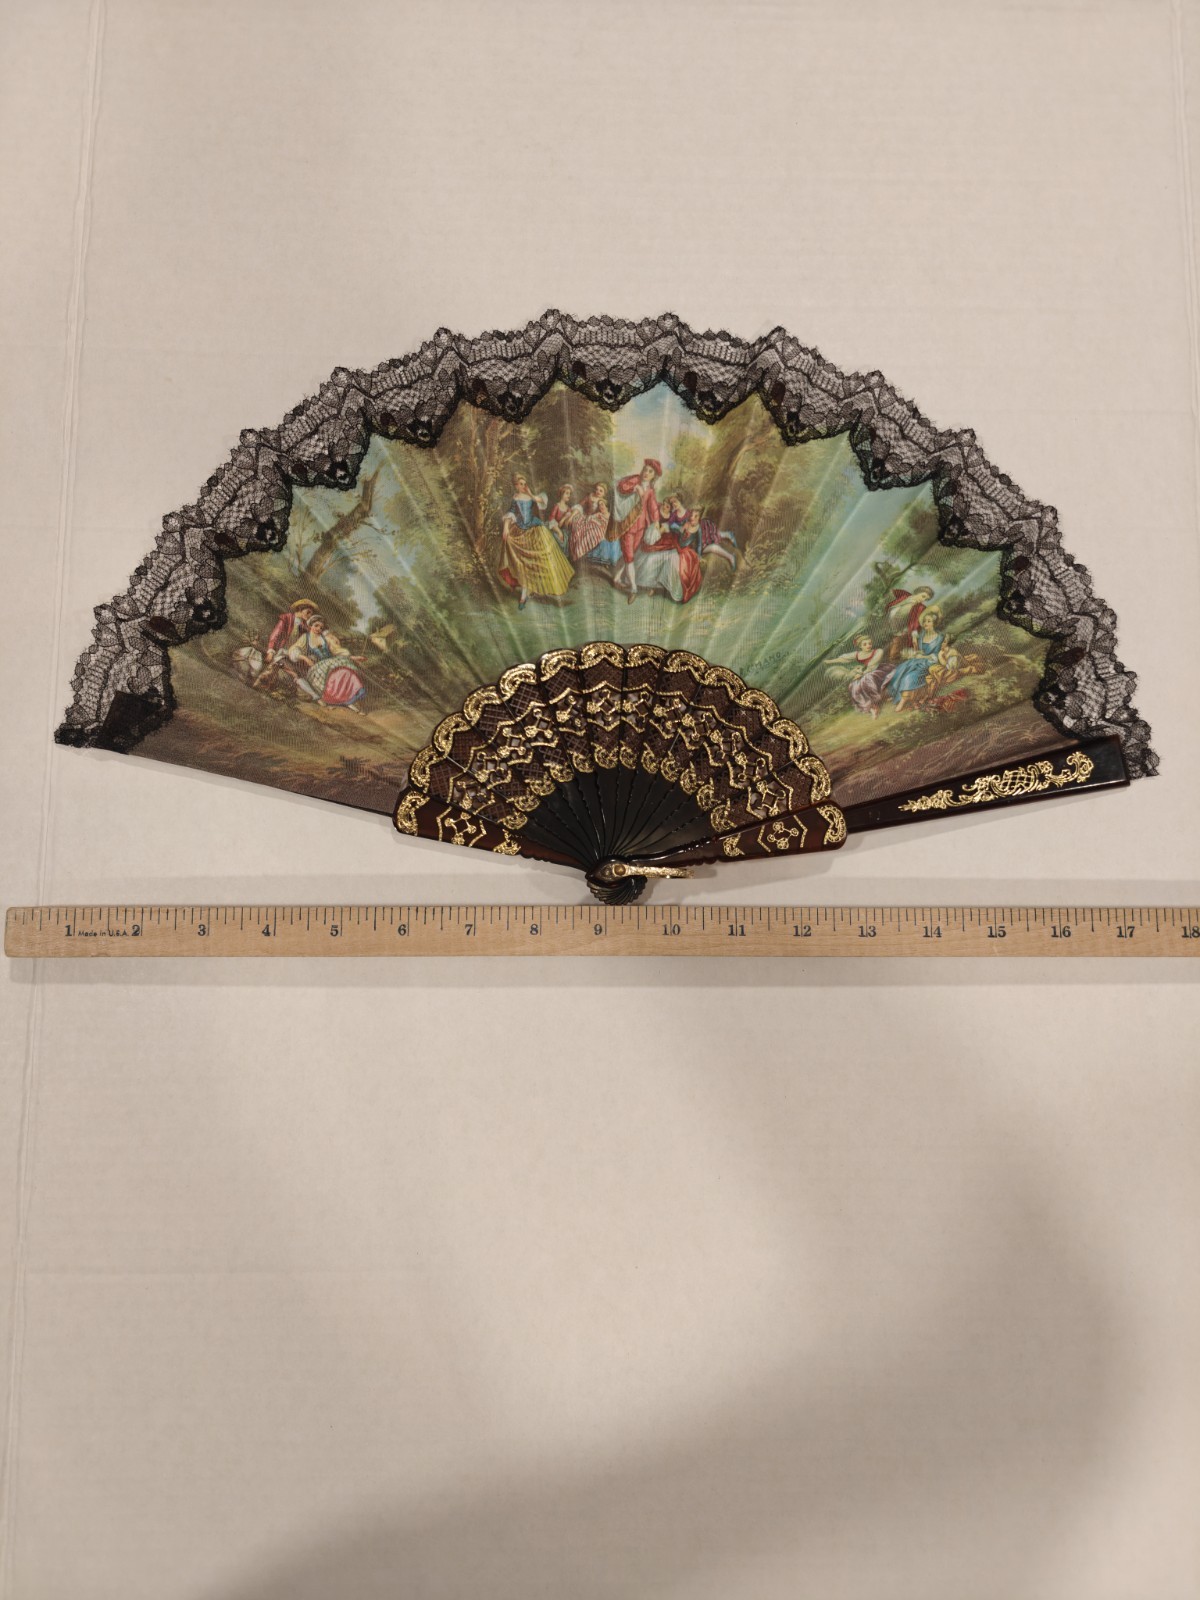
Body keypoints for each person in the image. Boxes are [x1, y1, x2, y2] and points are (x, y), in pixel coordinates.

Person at [498, 473, 574, 609]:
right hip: (520, 530)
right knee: (521, 560)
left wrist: (531, 494)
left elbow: (542, 502)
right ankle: (524, 594)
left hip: (534, 528)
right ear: (516, 485)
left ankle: (534, 589)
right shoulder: (515, 498)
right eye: (521, 484)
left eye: (524, 483)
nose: (523, 486)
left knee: (541, 558)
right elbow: (511, 513)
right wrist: (505, 528)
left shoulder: (530, 497)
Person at [289, 614, 367, 709]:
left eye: (321, 627)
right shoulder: (305, 637)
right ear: (310, 626)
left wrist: (353, 657)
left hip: (332, 662)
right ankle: (342, 699)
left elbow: (337, 651)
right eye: (316, 625)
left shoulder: (325, 638)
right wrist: (305, 658)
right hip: (318, 668)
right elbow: (294, 649)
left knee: (345, 672)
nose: (318, 629)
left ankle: (350, 698)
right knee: (333, 677)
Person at [613, 458, 663, 602]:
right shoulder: (635, 479)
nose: (646, 473)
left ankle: (616, 578)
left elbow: (653, 507)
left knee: (629, 555)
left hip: (641, 527)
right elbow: (622, 486)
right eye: (645, 470)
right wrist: (634, 488)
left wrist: (656, 521)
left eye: (650, 471)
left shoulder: (650, 490)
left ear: (654, 476)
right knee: (629, 557)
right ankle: (633, 588)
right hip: (628, 525)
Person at [888, 605, 947, 710]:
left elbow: (936, 655)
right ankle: (895, 694)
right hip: (917, 660)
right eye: (924, 621)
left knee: (909, 677)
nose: (925, 623)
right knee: (900, 670)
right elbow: (918, 650)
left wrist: (923, 656)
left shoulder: (940, 638)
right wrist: (915, 648)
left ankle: (902, 701)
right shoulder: (922, 634)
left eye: (928, 621)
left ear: (934, 623)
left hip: (929, 662)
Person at [828, 634, 891, 718]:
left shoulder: (878, 651)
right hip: (865, 673)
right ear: (860, 646)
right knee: (853, 685)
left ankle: (878, 701)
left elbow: (872, 665)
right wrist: (830, 661)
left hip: (878, 670)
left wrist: (861, 674)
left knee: (868, 679)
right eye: (865, 644)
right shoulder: (858, 654)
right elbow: (844, 659)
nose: (868, 646)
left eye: (869, 643)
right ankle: (872, 707)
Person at [885, 586, 935, 661]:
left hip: (900, 631)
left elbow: (915, 623)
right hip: (887, 626)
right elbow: (890, 593)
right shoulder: (904, 596)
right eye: (923, 596)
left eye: (926, 599)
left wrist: (914, 636)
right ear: (918, 592)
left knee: (894, 654)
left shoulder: (920, 608)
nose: (923, 600)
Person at [570, 482, 612, 562]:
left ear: (604, 493)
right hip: (588, 518)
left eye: (601, 491)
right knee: (580, 528)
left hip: (597, 522)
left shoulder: (603, 502)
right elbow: (580, 506)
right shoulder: (590, 497)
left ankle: (582, 553)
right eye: (597, 489)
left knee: (594, 532)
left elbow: (605, 516)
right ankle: (578, 553)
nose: (598, 492)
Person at [547, 484, 583, 554]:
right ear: (561, 494)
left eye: (570, 494)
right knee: (556, 538)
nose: (569, 495)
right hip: (554, 529)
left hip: (563, 531)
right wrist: (559, 531)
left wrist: (566, 518)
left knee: (567, 539)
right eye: (567, 493)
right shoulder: (557, 506)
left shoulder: (568, 508)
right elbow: (551, 520)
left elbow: (565, 524)